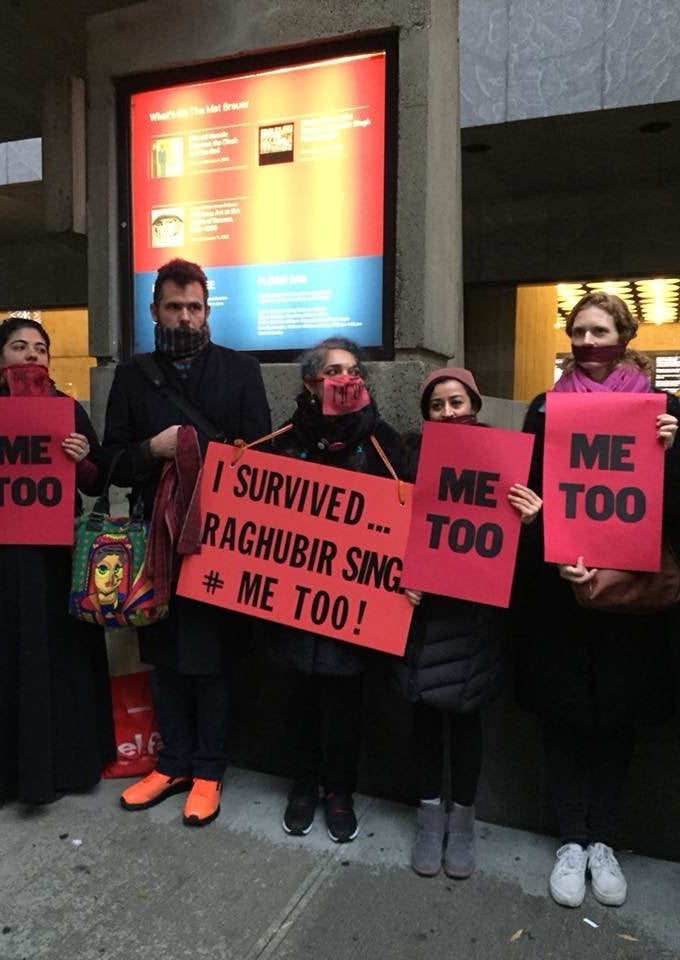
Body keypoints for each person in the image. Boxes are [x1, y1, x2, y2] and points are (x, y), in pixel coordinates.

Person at [514, 291, 680, 908]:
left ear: (625, 336)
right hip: (561, 595)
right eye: (577, 331)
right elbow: (529, 490)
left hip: (628, 603)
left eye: (599, 331)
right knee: (563, 720)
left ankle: (604, 839)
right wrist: (537, 526)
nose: (586, 343)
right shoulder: (543, 408)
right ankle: (572, 839)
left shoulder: (663, 412)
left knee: (616, 722)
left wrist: (676, 449)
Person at [102, 257, 271, 826]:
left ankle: (208, 771)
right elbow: (112, 464)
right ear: (154, 310)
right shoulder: (132, 375)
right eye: (173, 306)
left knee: (213, 658)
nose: (185, 316)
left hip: (220, 541)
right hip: (156, 540)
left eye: (194, 307)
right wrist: (153, 449)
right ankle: (170, 761)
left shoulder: (240, 372)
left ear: (207, 311)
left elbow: (263, 459)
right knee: (165, 656)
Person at [0, 316, 114, 811]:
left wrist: (83, 457)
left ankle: (59, 764)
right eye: (20, 347)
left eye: (41, 349)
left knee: (54, 659)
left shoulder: (66, 409)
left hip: (50, 562)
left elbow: (95, 482)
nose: (33, 356)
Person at [394, 368, 541, 878]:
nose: (450, 412)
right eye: (438, 405)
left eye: (457, 401)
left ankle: (462, 825)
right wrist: (403, 575)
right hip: (424, 616)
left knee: (467, 724)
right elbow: (392, 527)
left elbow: (517, 555)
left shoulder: (505, 460)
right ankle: (428, 821)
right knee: (426, 722)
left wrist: (528, 520)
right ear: (427, 413)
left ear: (474, 403)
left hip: (476, 620)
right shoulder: (410, 458)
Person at [268, 337, 408, 843]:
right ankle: (302, 787)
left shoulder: (383, 444)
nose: (345, 379)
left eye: (353, 371)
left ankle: (339, 792)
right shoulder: (282, 441)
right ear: (311, 383)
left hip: (353, 613)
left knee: (346, 710)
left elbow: (408, 512)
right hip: (292, 607)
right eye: (333, 371)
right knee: (299, 707)